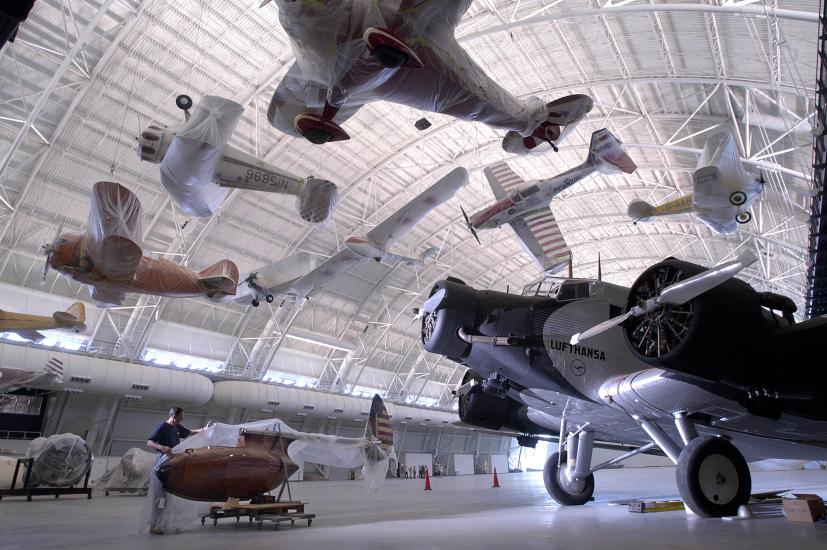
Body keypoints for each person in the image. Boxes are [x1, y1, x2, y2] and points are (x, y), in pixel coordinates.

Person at [145, 407, 212, 534]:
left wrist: (205, 430)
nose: (182, 419)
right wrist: (161, 447)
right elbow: (149, 442)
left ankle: (166, 523)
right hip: (162, 465)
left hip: (173, 465)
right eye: (181, 417)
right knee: (159, 497)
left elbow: (190, 432)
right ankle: (154, 525)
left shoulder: (177, 427)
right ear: (174, 416)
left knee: (170, 498)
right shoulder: (163, 427)